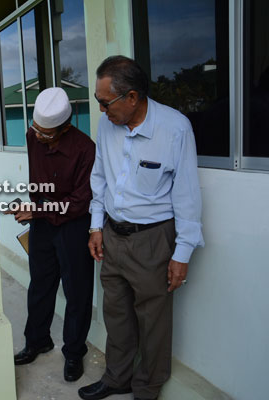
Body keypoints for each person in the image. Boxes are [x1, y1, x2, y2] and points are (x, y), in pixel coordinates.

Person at [79, 56, 204, 400]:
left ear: (131, 97)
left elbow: (187, 195)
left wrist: (182, 253)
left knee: (153, 321)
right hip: (112, 237)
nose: (102, 111)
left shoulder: (174, 128)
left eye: (105, 103)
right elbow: (100, 178)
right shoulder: (108, 125)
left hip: (152, 240)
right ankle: (116, 377)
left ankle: (146, 388)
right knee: (116, 313)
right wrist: (95, 226)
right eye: (98, 102)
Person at [6, 87, 95, 382]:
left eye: (47, 134)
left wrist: (39, 211)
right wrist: (30, 206)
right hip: (42, 222)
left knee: (77, 291)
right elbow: (38, 182)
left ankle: (73, 353)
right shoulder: (34, 136)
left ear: (65, 127)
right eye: (37, 131)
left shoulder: (85, 149)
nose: (39, 137)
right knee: (40, 285)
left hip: (74, 225)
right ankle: (37, 341)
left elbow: (81, 201)